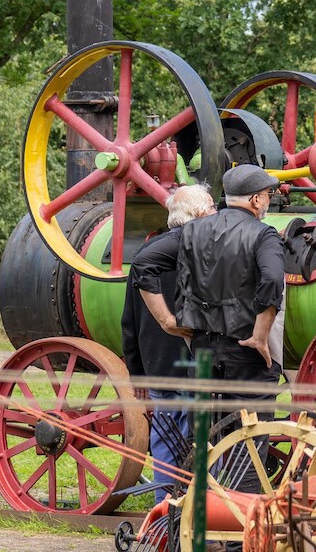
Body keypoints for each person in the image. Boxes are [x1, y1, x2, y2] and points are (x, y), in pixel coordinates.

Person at [121, 184, 214, 503]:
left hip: (160, 367)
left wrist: (138, 376)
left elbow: (129, 323)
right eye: (213, 208)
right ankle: (196, 511)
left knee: (165, 441)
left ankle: (165, 511)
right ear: (201, 213)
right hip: (198, 364)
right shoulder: (208, 252)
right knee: (204, 440)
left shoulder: (145, 256)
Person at [175, 163, 284, 394]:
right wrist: (260, 336)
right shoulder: (264, 234)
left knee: (204, 427)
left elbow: (182, 280)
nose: (268, 200)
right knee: (250, 427)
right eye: (268, 194)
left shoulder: (191, 229)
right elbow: (273, 279)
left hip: (201, 346)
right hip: (246, 349)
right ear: (255, 199)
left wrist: (174, 321)